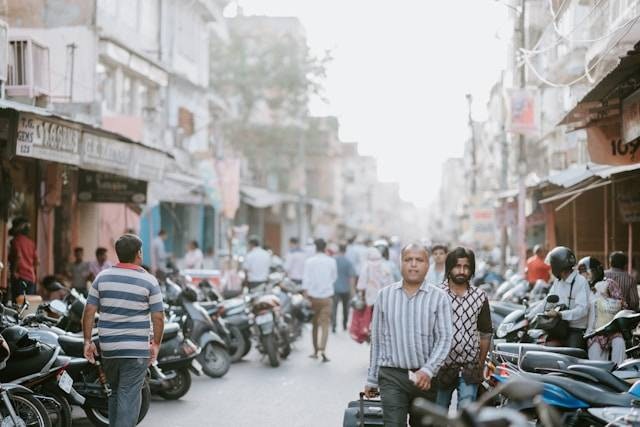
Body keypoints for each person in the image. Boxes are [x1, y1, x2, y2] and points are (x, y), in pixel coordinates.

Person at [364, 243, 453, 427]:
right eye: (408, 260)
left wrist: (428, 370)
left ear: (427, 265)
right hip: (392, 376)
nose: (413, 264)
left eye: (419, 260)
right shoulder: (384, 296)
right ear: (400, 264)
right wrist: (372, 379)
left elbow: (444, 339)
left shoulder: (439, 297)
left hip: (425, 379)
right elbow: (377, 340)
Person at [82, 234, 164, 427]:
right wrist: (156, 345)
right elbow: (158, 317)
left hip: (109, 349)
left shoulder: (102, 278)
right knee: (128, 395)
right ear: (138, 254)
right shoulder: (149, 281)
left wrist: (87, 341)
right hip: (135, 350)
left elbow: (88, 312)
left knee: (116, 393)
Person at [436, 247, 492, 410]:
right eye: (457, 266)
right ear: (449, 268)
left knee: (466, 414)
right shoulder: (436, 294)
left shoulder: (480, 297)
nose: (462, 271)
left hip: (469, 366)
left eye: (466, 267)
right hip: (441, 366)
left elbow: (486, 333)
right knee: (438, 412)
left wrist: (480, 365)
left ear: (472, 269)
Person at [535, 246, 590, 349]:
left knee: (572, 358)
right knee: (544, 349)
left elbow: (583, 310)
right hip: (559, 327)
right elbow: (547, 301)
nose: (551, 270)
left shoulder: (580, 281)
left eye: (552, 266)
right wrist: (529, 315)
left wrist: (560, 314)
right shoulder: (558, 282)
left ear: (557, 266)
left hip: (575, 330)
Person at [580, 256, 626, 365]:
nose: (585, 276)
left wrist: (607, 298)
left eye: (587, 272)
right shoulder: (583, 287)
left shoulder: (610, 284)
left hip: (613, 330)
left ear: (596, 270)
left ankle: (618, 377)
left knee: (619, 343)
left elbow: (623, 305)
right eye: (582, 273)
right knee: (596, 366)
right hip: (593, 333)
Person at [302, 238, 337, 362]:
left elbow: (305, 280)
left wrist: (306, 295)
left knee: (315, 324)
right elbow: (334, 278)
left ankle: (315, 351)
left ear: (315, 247)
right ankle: (323, 349)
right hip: (327, 297)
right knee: (325, 325)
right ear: (325, 247)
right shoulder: (331, 261)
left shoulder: (309, 261)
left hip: (313, 298)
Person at [8, 217, 38, 302]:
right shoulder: (31, 243)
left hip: (20, 278)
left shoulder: (16, 241)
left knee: (18, 305)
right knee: (27, 305)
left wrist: (14, 272)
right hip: (31, 278)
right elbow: (37, 261)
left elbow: (18, 256)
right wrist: (31, 270)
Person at [332, 243, 357, 333]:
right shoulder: (348, 262)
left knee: (334, 307)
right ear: (346, 250)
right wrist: (352, 290)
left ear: (339, 249)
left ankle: (333, 325)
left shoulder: (333, 260)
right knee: (345, 308)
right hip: (346, 288)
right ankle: (344, 325)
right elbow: (351, 277)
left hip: (335, 287)